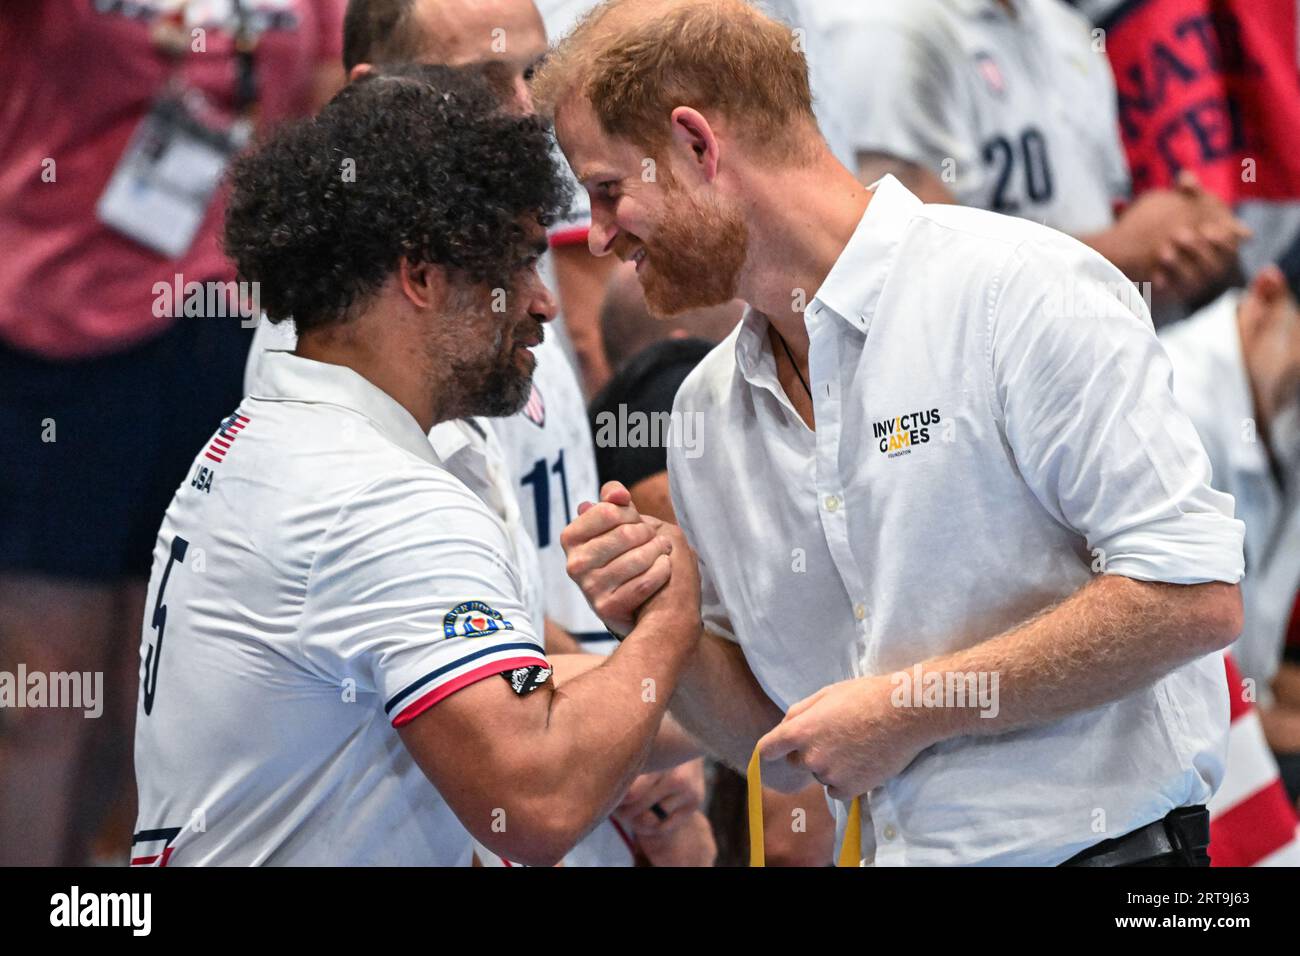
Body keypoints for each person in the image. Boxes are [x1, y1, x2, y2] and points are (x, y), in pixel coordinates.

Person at [540, 0, 1246, 866]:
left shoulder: (1017, 291)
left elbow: (1192, 595)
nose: (600, 235)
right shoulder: (703, 414)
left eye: (609, 190)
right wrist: (668, 621)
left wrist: (908, 710)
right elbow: (784, 751)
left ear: (696, 144)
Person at [131, 66, 700, 866]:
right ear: (423, 274)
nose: (542, 301)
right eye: (520, 262)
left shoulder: (268, 438)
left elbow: (500, 713)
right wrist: (673, 619)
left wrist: (715, 700)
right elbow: (537, 798)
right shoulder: (378, 496)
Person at [0, 0, 345, 866]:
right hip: (54, 334)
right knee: (42, 694)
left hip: (226, 333)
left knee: (156, 687)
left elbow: (339, 95)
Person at [795, 0, 1247, 318]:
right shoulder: (878, 23)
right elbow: (904, 258)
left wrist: (1187, 237)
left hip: (1090, 351)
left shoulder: (1064, 27)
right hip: (973, 401)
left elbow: (1107, 215)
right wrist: (1125, 251)